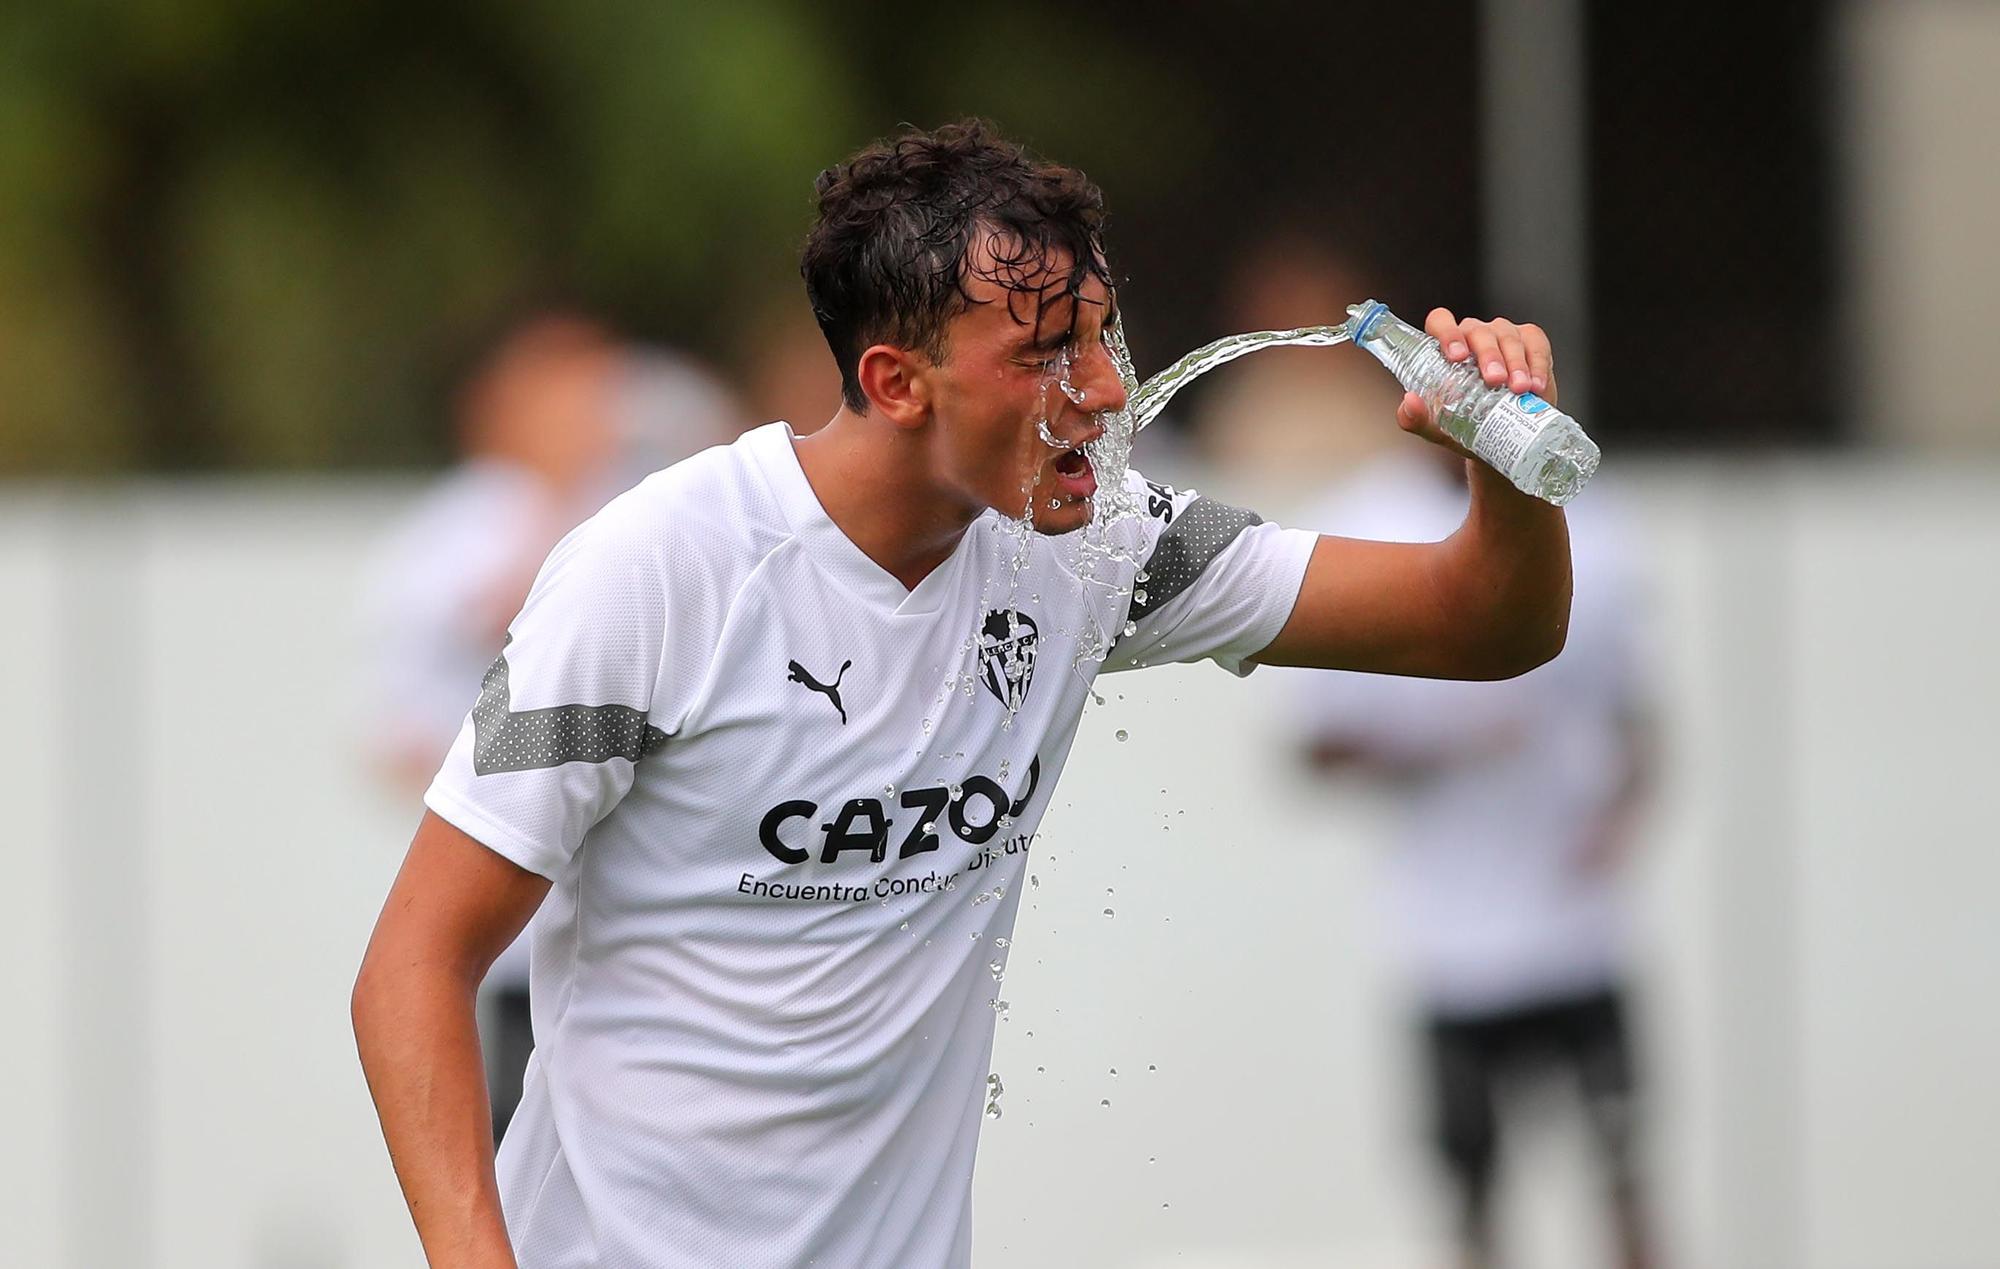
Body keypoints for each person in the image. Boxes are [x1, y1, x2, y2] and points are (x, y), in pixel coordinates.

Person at [350, 119, 1574, 1269]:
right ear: (894, 381)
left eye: (1103, 334)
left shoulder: (1094, 547)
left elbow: (1486, 626)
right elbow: (411, 968)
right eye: (1046, 354)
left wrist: (1507, 467)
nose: (1101, 390)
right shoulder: (657, 573)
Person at [357, 309, 742, 1140]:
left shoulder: (643, 501)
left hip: (655, 947)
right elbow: (515, 622)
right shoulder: (464, 523)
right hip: (512, 946)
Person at [1286, 444, 1658, 1269]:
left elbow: (1640, 709)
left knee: (1623, 1165)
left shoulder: (1593, 522)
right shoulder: (1365, 525)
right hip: (1450, 937)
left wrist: (1623, 814)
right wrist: (1443, 745)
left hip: (1578, 924)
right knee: (1474, 1193)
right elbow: (1315, 742)